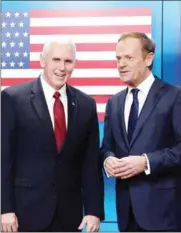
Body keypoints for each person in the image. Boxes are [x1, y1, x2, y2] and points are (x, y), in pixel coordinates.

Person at [1, 38, 104, 232]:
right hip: (23, 215)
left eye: (68, 61)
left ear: (75, 64)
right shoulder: (12, 98)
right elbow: (3, 159)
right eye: (56, 60)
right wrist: (4, 209)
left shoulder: (86, 104)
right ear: (42, 60)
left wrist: (93, 211)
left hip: (69, 215)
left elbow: (90, 163)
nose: (62, 67)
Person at [101, 32, 181, 232]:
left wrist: (146, 162)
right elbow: (107, 147)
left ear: (148, 58)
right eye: (118, 58)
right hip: (126, 213)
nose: (121, 64)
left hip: (165, 214)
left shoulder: (174, 96)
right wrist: (107, 160)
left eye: (128, 57)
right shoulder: (114, 102)